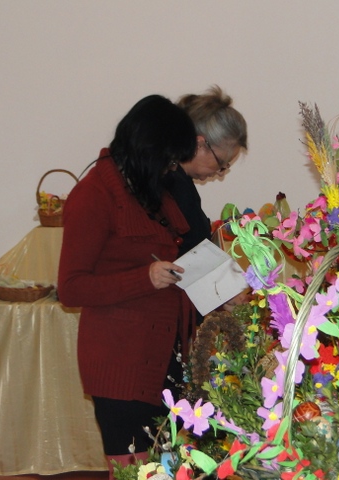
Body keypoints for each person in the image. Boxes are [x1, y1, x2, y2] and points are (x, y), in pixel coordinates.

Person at [57, 94, 197, 477]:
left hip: (161, 356)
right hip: (121, 365)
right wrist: (144, 278)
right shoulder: (93, 195)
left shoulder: (145, 188)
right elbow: (71, 288)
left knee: (166, 468)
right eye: (169, 160)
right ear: (149, 150)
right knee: (134, 471)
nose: (171, 169)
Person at [164, 85, 250, 310]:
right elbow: (188, 254)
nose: (220, 173)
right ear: (200, 144)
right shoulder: (175, 186)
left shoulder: (177, 180)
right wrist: (226, 291)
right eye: (221, 163)